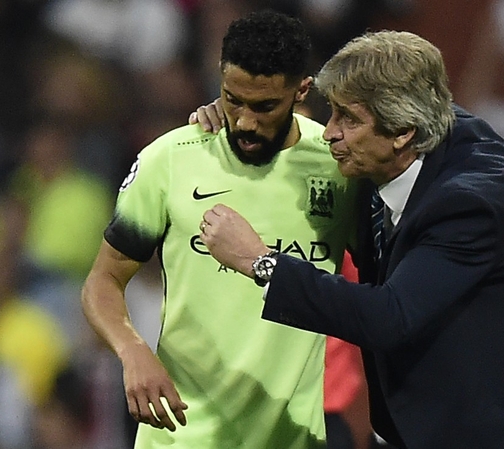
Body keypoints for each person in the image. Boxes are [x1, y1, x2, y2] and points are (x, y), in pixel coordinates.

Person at [198, 30, 504, 448]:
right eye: (333, 113)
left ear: (402, 131)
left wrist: (261, 262)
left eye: (348, 118)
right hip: (460, 417)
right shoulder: (417, 137)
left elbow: (390, 315)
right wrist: (233, 116)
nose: (330, 133)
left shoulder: (472, 202)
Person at [80, 10, 357, 448]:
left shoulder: (339, 169)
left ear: (302, 90)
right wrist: (133, 351)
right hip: (179, 437)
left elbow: (382, 296)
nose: (245, 121)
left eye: (265, 106)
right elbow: (102, 280)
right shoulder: (171, 158)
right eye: (233, 99)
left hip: (291, 438)